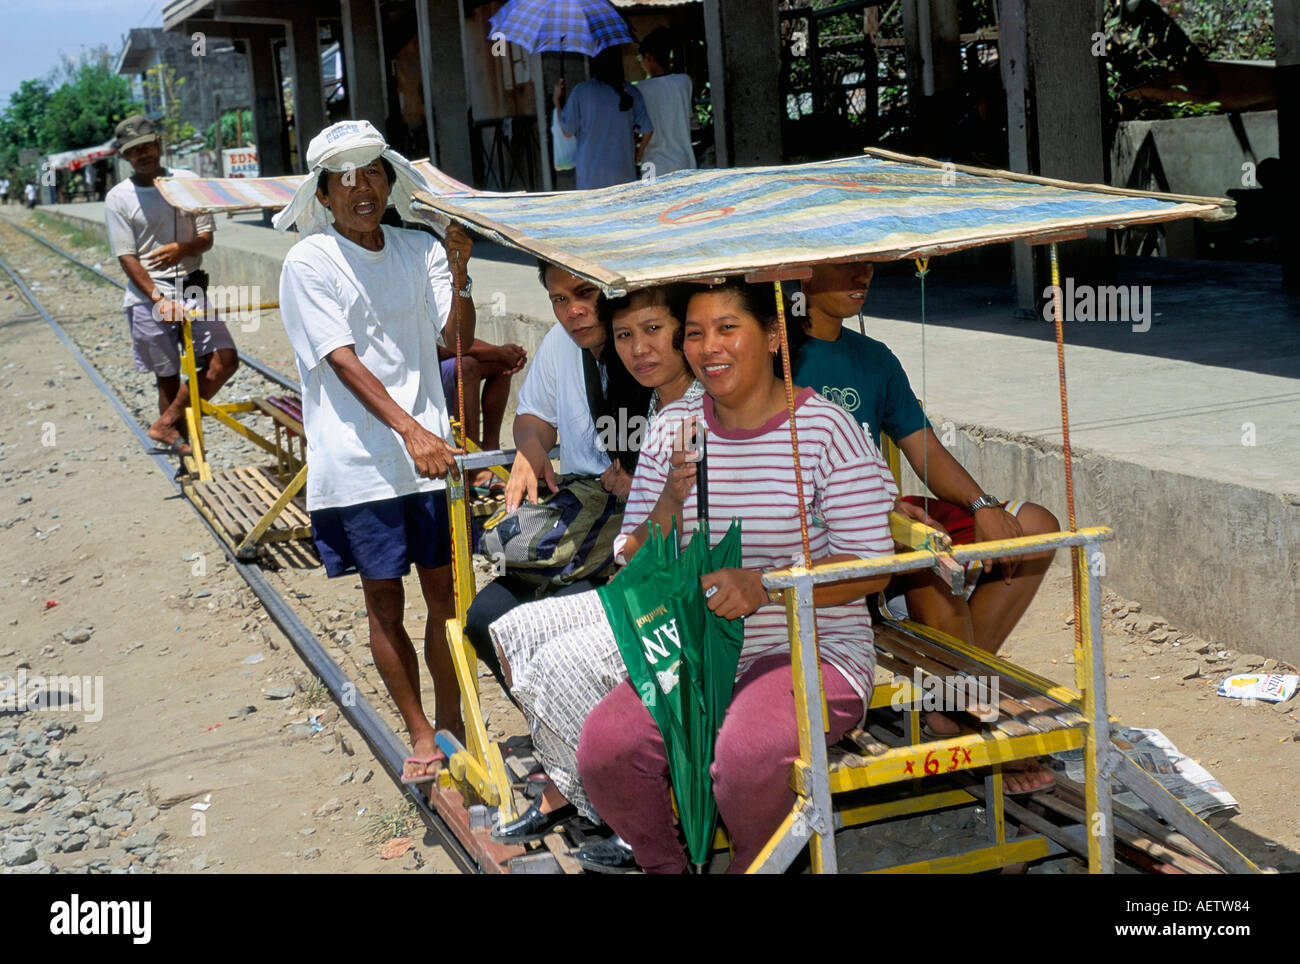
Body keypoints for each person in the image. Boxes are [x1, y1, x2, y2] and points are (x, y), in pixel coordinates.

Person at [576, 278, 897, 874]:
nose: (707, 346)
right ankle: (664, 865)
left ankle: (754, 866)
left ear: (774, 335)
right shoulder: (675, 428)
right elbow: (633, 558)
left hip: (812, 649)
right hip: (694, 646)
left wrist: (767, 584)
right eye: (694, 332)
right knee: (607, 750)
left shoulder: (827, 431)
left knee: (746, 760)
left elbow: (871, 568)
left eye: (728, 328)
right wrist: (671, 498)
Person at [792, 261, 1060, 793]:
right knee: (929, 561)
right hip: (827, 533)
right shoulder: (775, 362)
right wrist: (881, 509)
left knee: (1033, 525)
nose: (860, 277)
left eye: (866, 266)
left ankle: (952, 697)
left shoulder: (874, 358)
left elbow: (925, 451)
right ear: (802, 273)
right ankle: (968, 710)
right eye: (844, 266)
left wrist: (982, 503)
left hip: (889, 515)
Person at [274, 119, 476, 785]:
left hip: (430, 458)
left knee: (446, 593)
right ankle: (419, 730)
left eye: (373, 174)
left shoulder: (418, 248)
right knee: (383, 599)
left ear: (391, 182)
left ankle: (451, 718)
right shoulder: (310, 262)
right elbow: (340, 360)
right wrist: (410, 431)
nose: (362, 189)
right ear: (325, 194)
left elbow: (455, 339)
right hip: (361, 465)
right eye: (345, 179)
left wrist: (461, 270)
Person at [487, 284, 703, 870]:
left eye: (655, 332)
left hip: (678, 593)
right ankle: (581, 790)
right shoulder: (658, 403)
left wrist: (637, 537)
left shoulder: (700, 412)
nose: (639, 349)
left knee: (561, 661)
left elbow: (680, 530)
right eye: (629, 335)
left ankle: (636, 817)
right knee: (514, 633)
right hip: (643, 577)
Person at [463, 261, 639, 658]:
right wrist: (530, 447)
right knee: (485, 621)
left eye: (584, 294)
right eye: (559, 299)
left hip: (640, 527)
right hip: (583, 512)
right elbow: (534, 415)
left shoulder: (643, 344)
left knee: (557, 631)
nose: (572, 311)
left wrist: (640, 475)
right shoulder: (561, 342)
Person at [104, 115, 239, 455]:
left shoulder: (188, 181)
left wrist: (184, 248)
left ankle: (168, 421)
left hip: (192, 285)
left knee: (225, 359)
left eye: (147, 145)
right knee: (167, 375)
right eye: (134, 150)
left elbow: (206, 237)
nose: (143, 154)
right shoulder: (119, 197)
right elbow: (126, 256)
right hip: (147, 294)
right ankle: (186, 458)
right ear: (124, 156)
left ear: (159, 143)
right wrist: (156, 298)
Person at [554, 47, 653, 190]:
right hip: (624, 175)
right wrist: (638, 154)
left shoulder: (582, 91)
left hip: (591, 179)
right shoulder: (631, 91)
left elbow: (567, 131)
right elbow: (648, 130)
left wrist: (558, 102)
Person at [437, 338, 527, 490]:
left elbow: (451, 335)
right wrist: (497, 352)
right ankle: (473, 466)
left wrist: (507, 354)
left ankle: (490, 451)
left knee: (502, 364)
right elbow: (434, 348)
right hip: (417, 369)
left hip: (440, 355)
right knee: (467, 365)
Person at [635, 27, 696, 178]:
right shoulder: (684, 82)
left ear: (648, 57)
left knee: (653, 201)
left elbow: (638, 130)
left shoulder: (639, 90)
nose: (641, 64)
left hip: (652, 165)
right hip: (684, 162)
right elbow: (691, 120)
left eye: (640, 59)